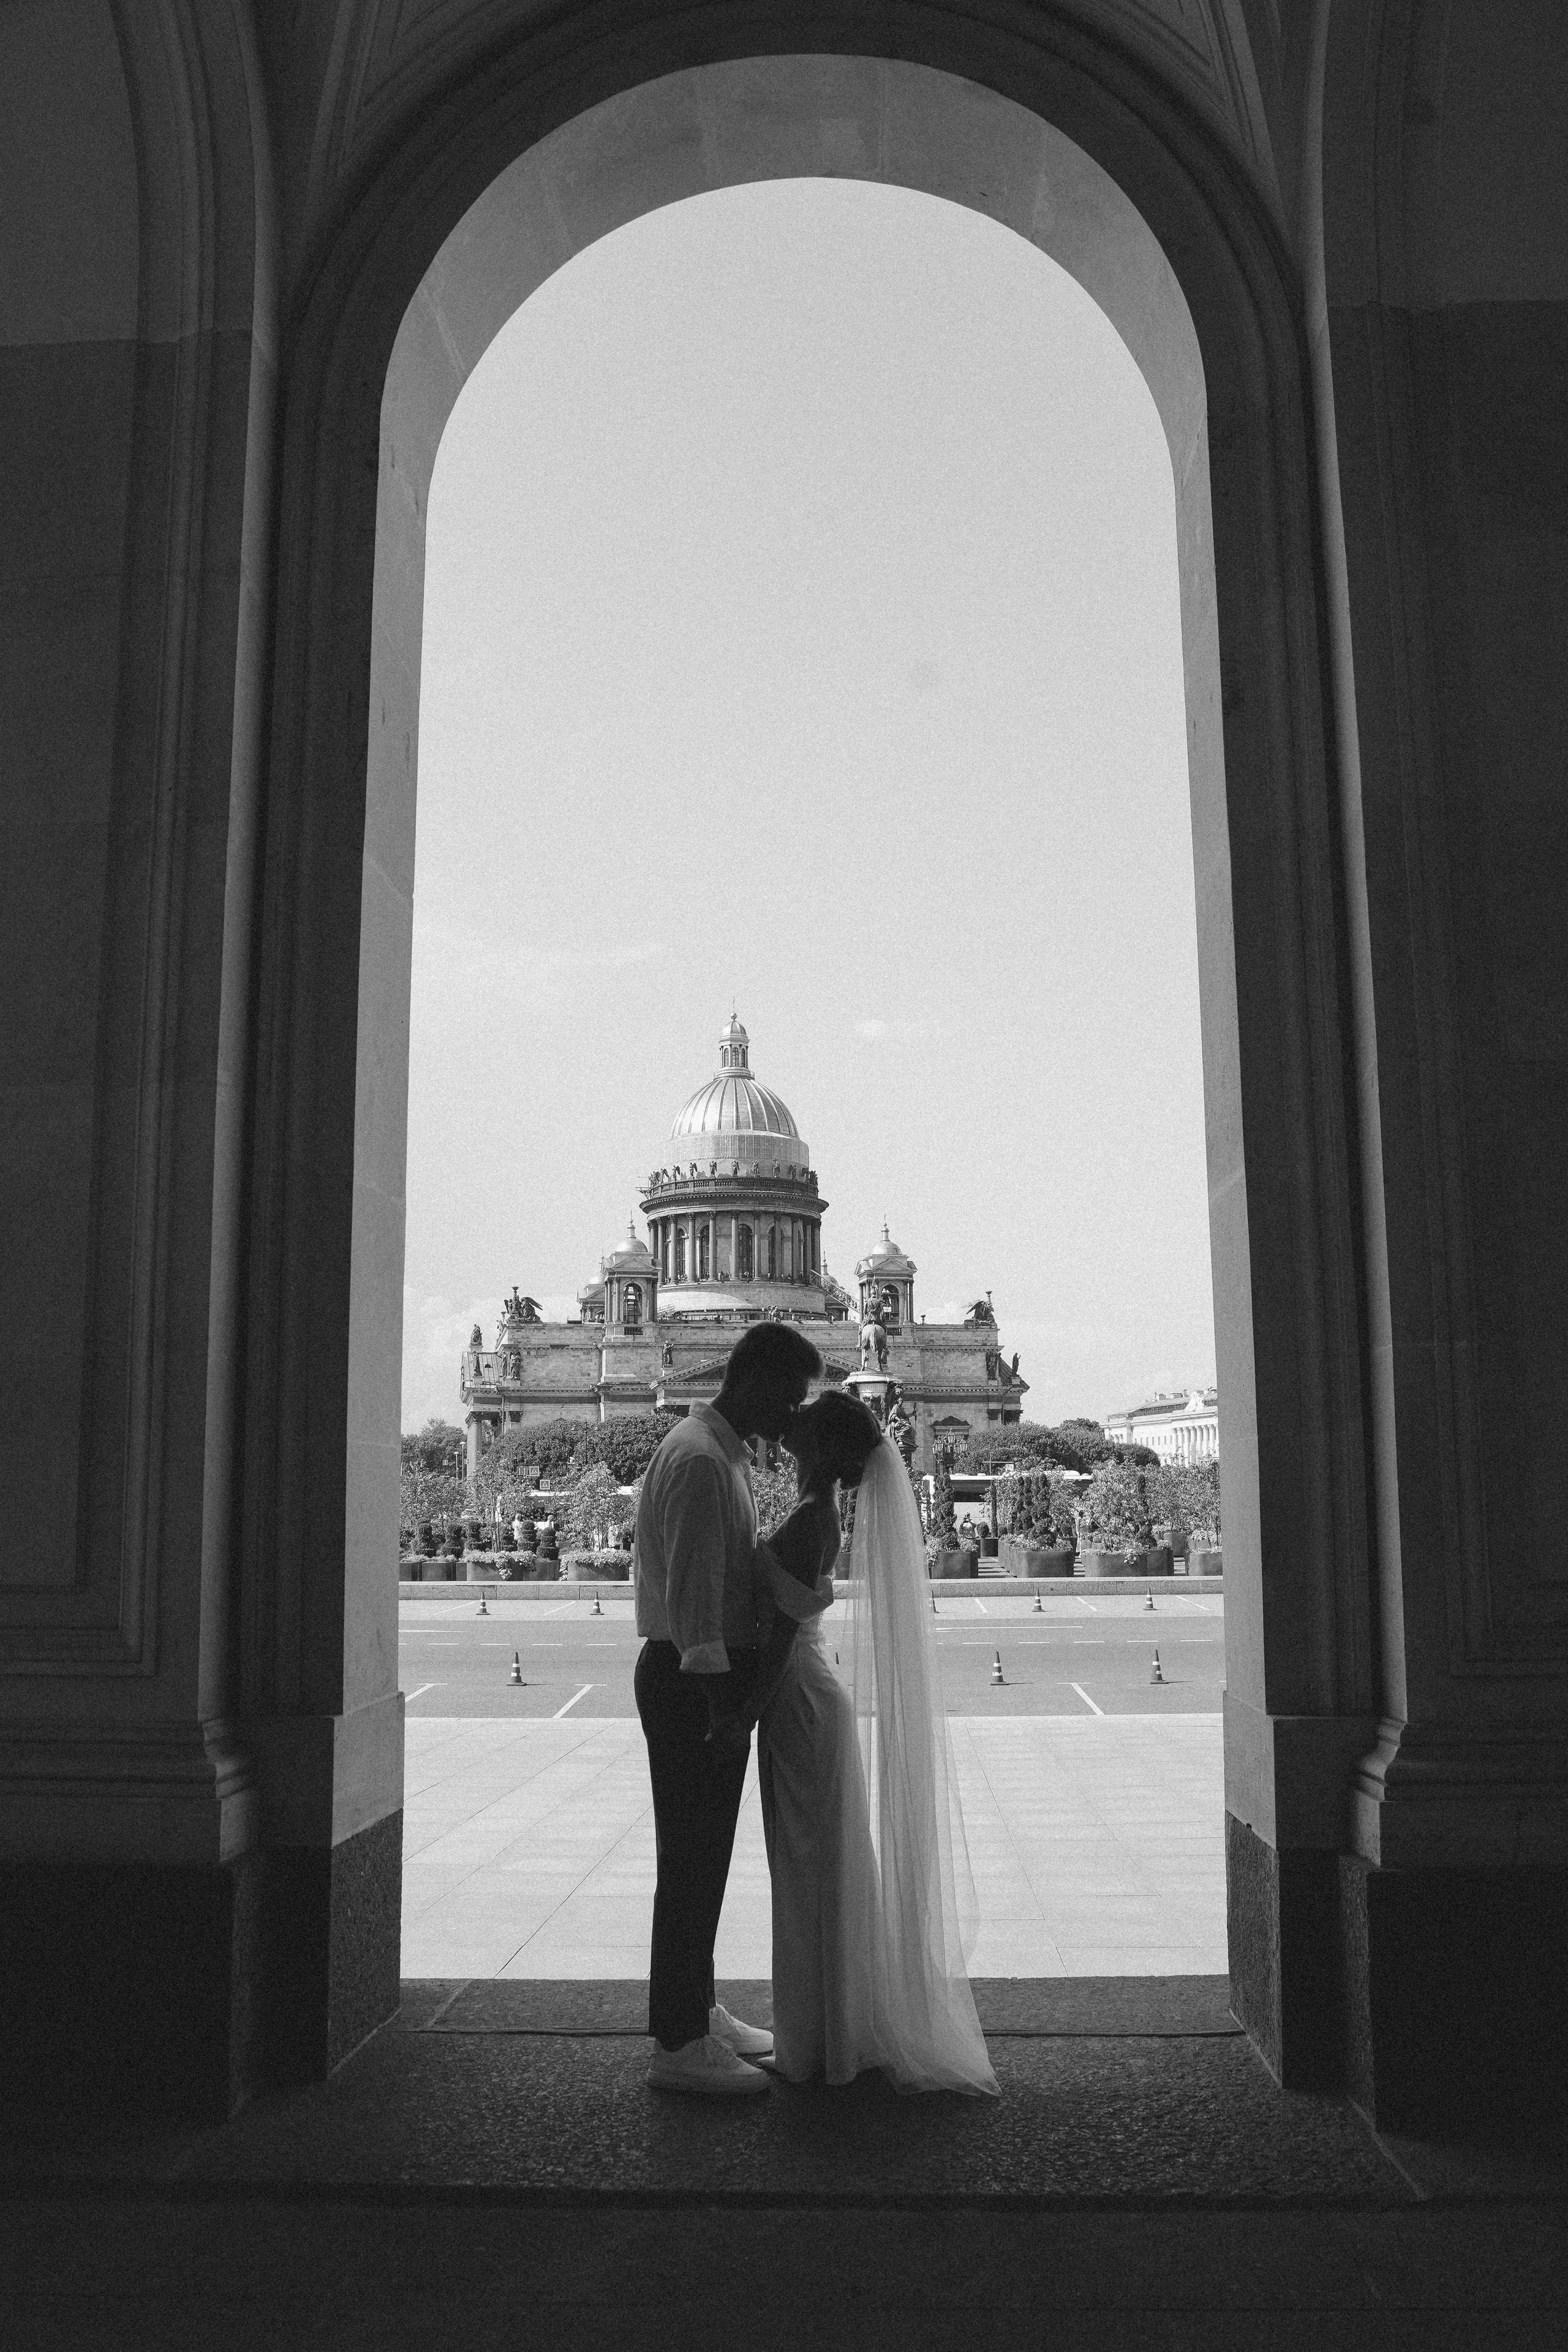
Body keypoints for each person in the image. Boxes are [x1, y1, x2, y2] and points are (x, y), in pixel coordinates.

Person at [750, 1392, 998, 2095]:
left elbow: (772, 1640)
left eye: (800, 1417)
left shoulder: (807, 1519)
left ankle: (819, 2038)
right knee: (819, 1864)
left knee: (809, 1868)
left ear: (819, 1446)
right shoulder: (817, 1514)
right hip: (806, 1697)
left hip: (796, 1698)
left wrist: (738, 1708)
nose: (786, 1420)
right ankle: (826, 2029)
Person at [633, 1320, 821, 2096]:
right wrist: (723, 1707)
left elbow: (725, 1577)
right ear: (754, 1381)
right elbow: (694, 1601)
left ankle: (696, 2010)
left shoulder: (718, 1454)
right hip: (692, 1682)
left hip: (695, 1678)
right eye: (790, 1396)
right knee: (691, 1861)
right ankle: (677, 2045)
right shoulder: (704, 1461)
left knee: (702, 1859)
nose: (794, 1415)